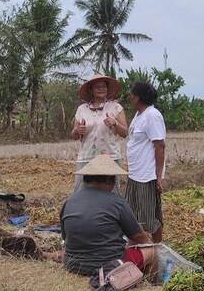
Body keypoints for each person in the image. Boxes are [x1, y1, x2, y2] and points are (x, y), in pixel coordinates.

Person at [59, 154, 157, 277]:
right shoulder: (117, 202)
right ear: (107, 179)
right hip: (108, 266)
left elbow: (66, 238)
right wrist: (149, 244)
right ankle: (151, 285)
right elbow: (139, 236)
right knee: (152, 251)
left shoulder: (69, 201)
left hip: (73, 266)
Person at [71, 74, 127, 193]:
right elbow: (74, 135)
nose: (101, 89)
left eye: (103, 86)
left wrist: (115, 123)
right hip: (87, 157)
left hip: (109, 157)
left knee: (111, 193)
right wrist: (77, 130)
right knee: (81, 192)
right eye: (97, 87)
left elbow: (125, 133)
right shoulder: (82, 109)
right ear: (91, 90)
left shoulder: (115, 107)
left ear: (107, 89)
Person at [125, 81, 166, 243]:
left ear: (137, 97)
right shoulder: (139, 115)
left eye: (131, 94)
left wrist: (158, 176)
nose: (129, 96)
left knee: (150, 218)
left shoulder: (152, 115)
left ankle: (157, 250)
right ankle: (135, 249)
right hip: (135, 173)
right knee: (132, 214)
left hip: (147, 175)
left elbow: (160, 145)